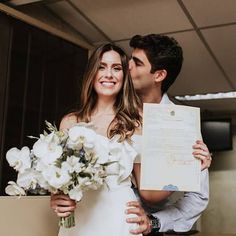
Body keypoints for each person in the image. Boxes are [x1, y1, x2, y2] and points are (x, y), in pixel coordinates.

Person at [50, 43, 172, 236]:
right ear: (92, 73)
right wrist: (57, 199)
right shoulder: (70, 122)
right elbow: (60, 183)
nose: (109, 74)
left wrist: (188, 167)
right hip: (78, 221)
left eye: (116, 68)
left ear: (124, 77)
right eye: (101, 66)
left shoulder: (136, 124)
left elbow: (149, 192)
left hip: (120, 219)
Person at [125, 34, 211, 235]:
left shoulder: (184, 124)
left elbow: (198, 198)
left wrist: (154, 222)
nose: (127, 66)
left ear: (159, 75)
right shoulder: (112, 113)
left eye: (137, 63)